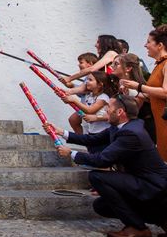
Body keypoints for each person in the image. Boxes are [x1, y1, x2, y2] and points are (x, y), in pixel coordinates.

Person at [45, 95, 167, 237]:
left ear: (120, 112)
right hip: (140, 182)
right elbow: (92, 139)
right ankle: (163, 219)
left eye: (109, 108)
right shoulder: (121, 127)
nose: (106, 111)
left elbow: (102, 160)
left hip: (152, 186)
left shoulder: (131, 133)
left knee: (97, 177)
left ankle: (138, 228)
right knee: (102, 206)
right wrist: (61, 132)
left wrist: (71, 153)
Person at [119, 24, 167, 161]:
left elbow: (165, 92)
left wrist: (139, 87)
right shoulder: (159, 64)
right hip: (160, 120)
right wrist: (132, 91)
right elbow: (153, 94)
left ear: (160, 45)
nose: (145, 45)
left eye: (148, 42)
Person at [62, 71, 114, 152]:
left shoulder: (103, 98)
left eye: (90, 80)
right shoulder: (89, 95)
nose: (86, 82)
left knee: (101, 155)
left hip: (103, 133)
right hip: (92, 131)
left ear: (100, 84)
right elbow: (84, 108)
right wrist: (68, 100)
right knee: (92, 151)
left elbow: (90, 111)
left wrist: (74, 101)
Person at [112, 53, 155, 143]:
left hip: (142, 128)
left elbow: (134, 111)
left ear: (128, 68)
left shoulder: (139, 85)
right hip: (128, 127)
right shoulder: (117, 83)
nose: (112, 66)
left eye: (116, 64)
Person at [65, 52, 98, 134]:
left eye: (81, 62)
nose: (79, 65)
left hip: (91, 107)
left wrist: (70, 88)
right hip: (85, 105)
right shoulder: (88, 77)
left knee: (90, 126)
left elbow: (83, 90)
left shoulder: (95, 76)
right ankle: (83, 140)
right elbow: (81, 92)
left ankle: (86, 141)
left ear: (90, 64)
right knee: (73, 120)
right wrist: (71, 85)